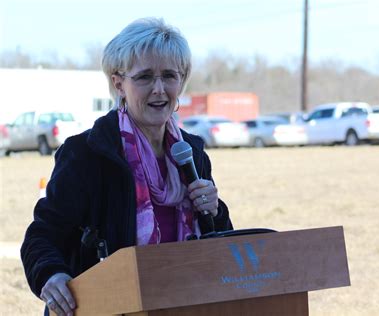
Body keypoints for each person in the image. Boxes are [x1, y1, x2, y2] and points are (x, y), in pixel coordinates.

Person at [21, 17, 233, 316]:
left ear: (181, 82)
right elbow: (43, 234)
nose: (159, 89)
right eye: (145, 77)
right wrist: (51, 274)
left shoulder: (191, 152)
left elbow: (219, 245)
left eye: (169, 76)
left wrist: (215, 210)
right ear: (118, 83)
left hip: (183, 304)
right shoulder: (88, 153)